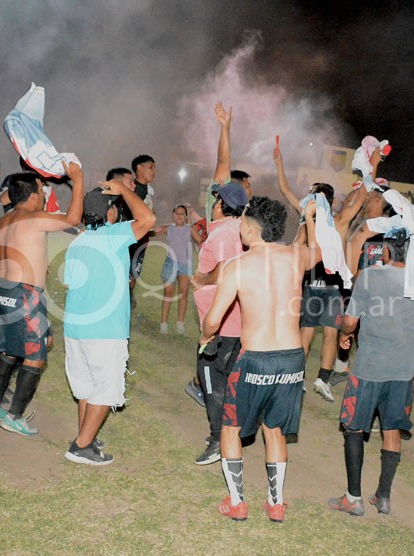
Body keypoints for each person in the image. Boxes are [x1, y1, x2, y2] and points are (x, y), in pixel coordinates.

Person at [200, 196, 320, 523]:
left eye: (241, 221)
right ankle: (276, 503)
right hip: (293, 360)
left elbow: (213, 320)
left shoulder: (237, 266)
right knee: (275, 429)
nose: (238, 225)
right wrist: (310, 219)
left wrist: (205, 336)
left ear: (250, 229)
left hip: (254, 359)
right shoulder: (295, 257)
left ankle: (237, 502)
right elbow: (319, 251)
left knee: (230, 428)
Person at [328, 222, 414, 517]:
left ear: (383, 250)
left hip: (371, 367)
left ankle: (352, 498)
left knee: (355, 428)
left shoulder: (371, 277)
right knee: (391, 428)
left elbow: (351, 321)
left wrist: (345, 333)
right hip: (406, 368)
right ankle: (383, 497)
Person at [0, 165, 83, 435]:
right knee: (35, 356)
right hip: (24, 293)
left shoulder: (4, 221)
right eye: (41, 190)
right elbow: (73, 218)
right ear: (33, 196)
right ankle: (14, 415)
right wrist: (79, 180)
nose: (43, 193)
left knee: (12, 351)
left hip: (3, 291)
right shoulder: (35, 217)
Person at [62, 176, 156, 465]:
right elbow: (148, 219)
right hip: (104, 330)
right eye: (115, 206)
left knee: (86, 389)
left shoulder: (77, 242)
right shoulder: (114, 235)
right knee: (105, 388)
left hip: (76, 327)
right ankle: (80, 446)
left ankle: (85, 438)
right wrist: (126, 190)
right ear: (110, 213)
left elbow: (69, 283)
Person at [275, 140, 371, 402]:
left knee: (307, 333)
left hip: (312, 284)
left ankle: (298, 380)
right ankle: (322, 379)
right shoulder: (337, 221)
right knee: (329, 333)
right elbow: (362, 195)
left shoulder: (309, 217)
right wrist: (372, 164)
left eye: (311, 192)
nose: (307, 195)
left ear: (318, 197)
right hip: (331, 286)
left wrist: (280, 164)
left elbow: (285, 189)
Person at [189, 102, 249, 465]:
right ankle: (232, 430)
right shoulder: (234, 226)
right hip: (235, 323)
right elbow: (223, 167)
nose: (212, 200)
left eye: (216, 199)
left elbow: (226, 271)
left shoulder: (224, 234)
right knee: (223, 380)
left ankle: (218, 440)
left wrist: (199, 278)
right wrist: (224, 127)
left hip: (223, 326)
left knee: (211, 379)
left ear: (222, 206)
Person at [153, 204, 202, 335]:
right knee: (168, 292)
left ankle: (180, 323)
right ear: (173, 216)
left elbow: (200, 241)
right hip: (170, 263)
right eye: (177, 213)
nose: (179, 216)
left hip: (186, 265)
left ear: (186, 217)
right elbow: (154, 232)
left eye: (182, 214)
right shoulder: (168, 228)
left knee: (183, 293)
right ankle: (163, 323)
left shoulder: (189, 229)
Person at [128, 154, 157, 308]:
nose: (154, 171)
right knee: (124, 276)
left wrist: (152, 229)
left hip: (142, 241)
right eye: (150, 167)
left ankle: (127, 301)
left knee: (134, 275)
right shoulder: (131, 190)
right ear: (139, 168)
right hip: (129, 241)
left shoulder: (149, 191)